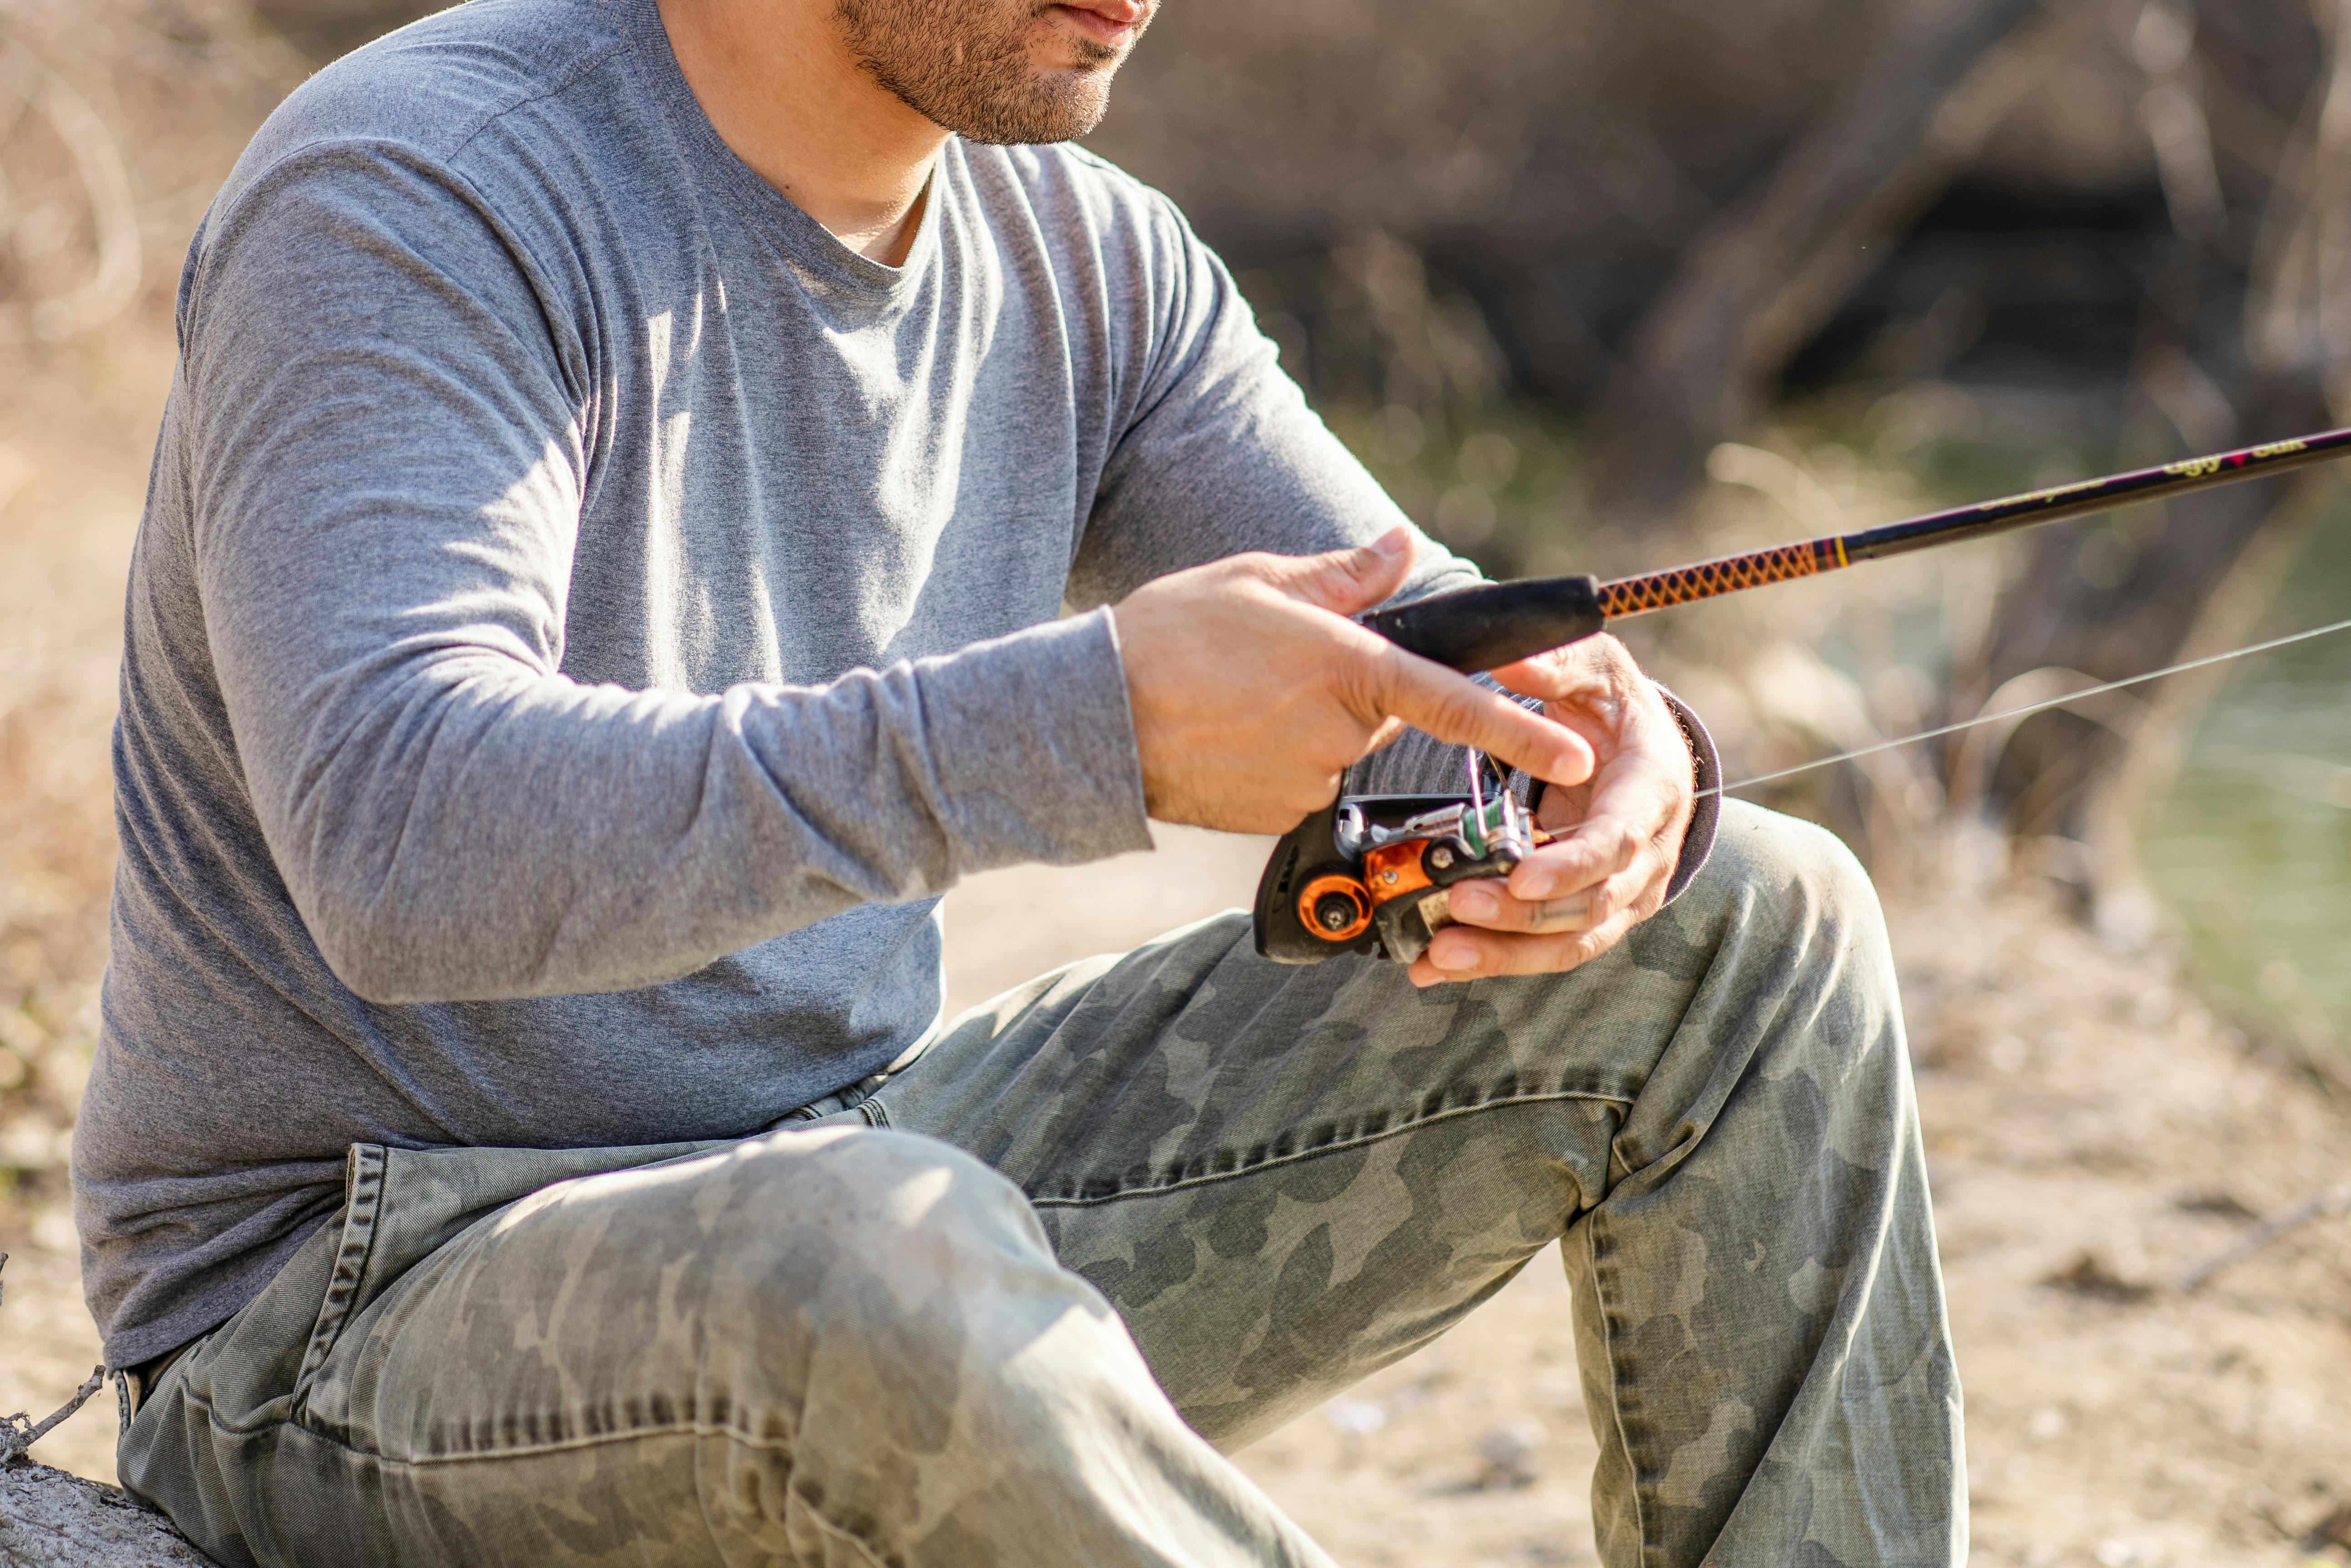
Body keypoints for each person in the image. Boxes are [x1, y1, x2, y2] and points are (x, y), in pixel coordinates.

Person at [75, 0, 1964, 1560]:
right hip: (345, 1313)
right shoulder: (422, 190)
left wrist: (1616, 765)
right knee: (865, 1245)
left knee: (1750, 919)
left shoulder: (1091, 263)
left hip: (858, 1180)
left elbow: (1426, 665)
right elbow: (405, 841)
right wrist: (1087, 732)